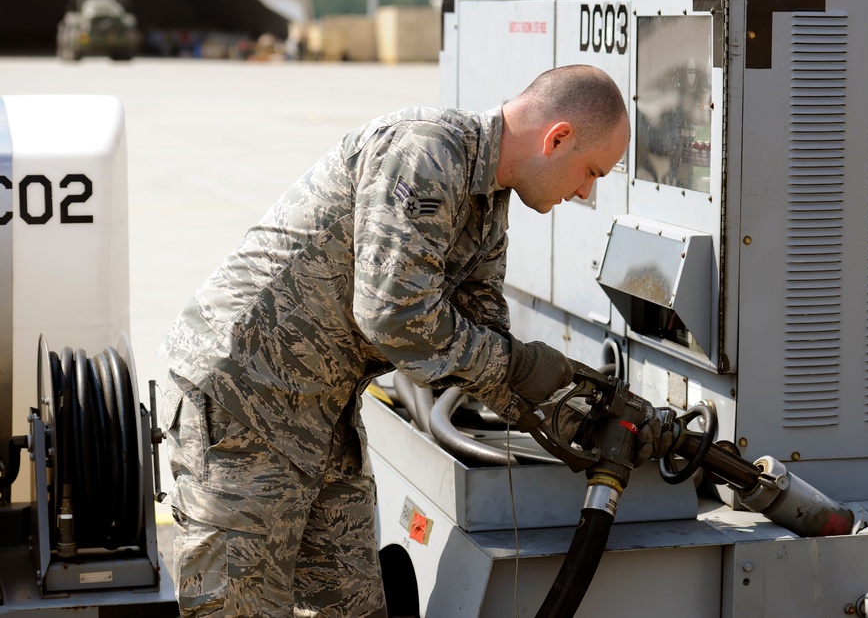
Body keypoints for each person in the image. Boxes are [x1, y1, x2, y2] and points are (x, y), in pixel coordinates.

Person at [159, 64, 631, 617]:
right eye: (590, 171)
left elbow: (483, 342)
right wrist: (522, 366)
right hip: (245, 401)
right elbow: (393, 315)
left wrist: (572, 413)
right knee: (236, 610)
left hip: (322, 409)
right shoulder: (426, 153)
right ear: (558, 138)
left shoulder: (488, 206)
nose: (584, 191)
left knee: (352, 606)